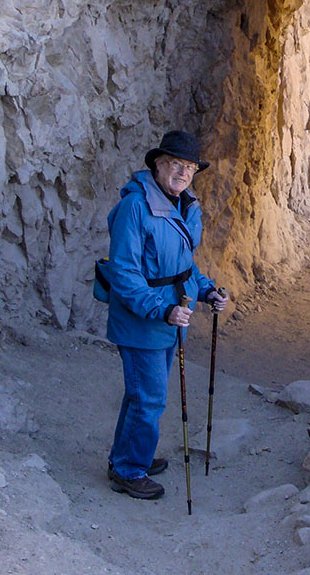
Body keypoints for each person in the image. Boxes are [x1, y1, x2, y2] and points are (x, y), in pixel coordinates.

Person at [103, 130, 228, 500]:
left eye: (190, 167)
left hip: (170, 318)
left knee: (140, 395)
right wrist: (163, 309)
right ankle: (128, 470)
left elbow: (183, 266)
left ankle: (127, 456)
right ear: (158, 164)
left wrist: (206, 291)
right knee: (149, 398)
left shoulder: (184, 205)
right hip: (144, 320)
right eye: (176, 164)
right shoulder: (135, 207)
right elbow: (123, 274)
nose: (183, 173)